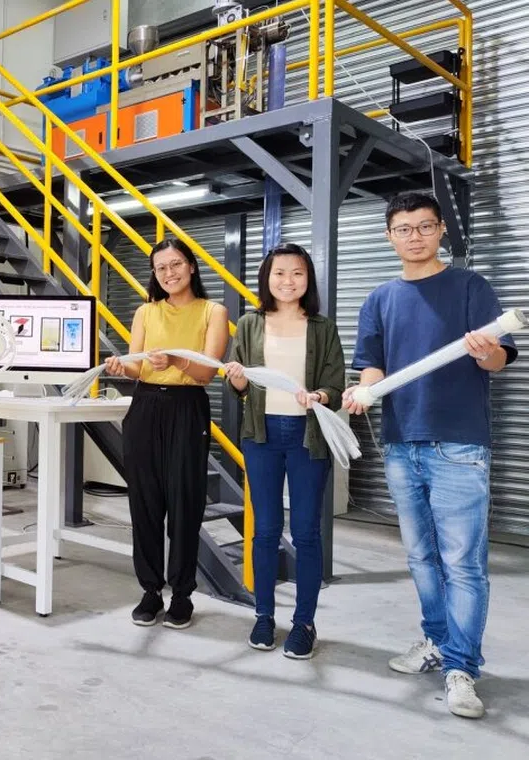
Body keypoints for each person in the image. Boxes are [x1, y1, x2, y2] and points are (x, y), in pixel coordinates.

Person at [343, 192, 517, 719]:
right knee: (421, 558)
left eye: (424, 226)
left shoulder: (470, 287)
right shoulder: (379, 299)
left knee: (463, 563)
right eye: (403, 227)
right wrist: (364, 391)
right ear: (389, 235)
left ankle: (462, 668)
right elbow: (372, 365)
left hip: (460, 445)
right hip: (400, 443)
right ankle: (436, 642)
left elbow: (500, 360)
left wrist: (488, 352)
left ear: (442, 231)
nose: (414, 235)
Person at [222, 243, 346, 659]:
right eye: (279, 273)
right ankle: (263, 616)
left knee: (307, 531)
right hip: (261, 436)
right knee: (266, 529)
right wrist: (238, 378)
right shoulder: (250, 323)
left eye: (297, 273)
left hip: (308, 435)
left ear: (308, 279)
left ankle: (304, 623)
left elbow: (336, 384)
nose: (287, 281)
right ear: (267, 278)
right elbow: (237, 385)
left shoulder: (323, 327)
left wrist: (321, 396)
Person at [105, 238, 229, 628]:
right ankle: (149, 590)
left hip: (186, 407)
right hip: (144, 407)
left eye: (176, 264)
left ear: (191, 266)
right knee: (144, 504)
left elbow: (207, 373)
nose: (169, 273)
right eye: (161, 268)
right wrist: (119, 367)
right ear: (154, 274)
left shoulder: (214, 311)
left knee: (184, 505)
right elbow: (140, 368)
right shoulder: (145, 312)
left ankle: (182, 594)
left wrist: (175, 358)